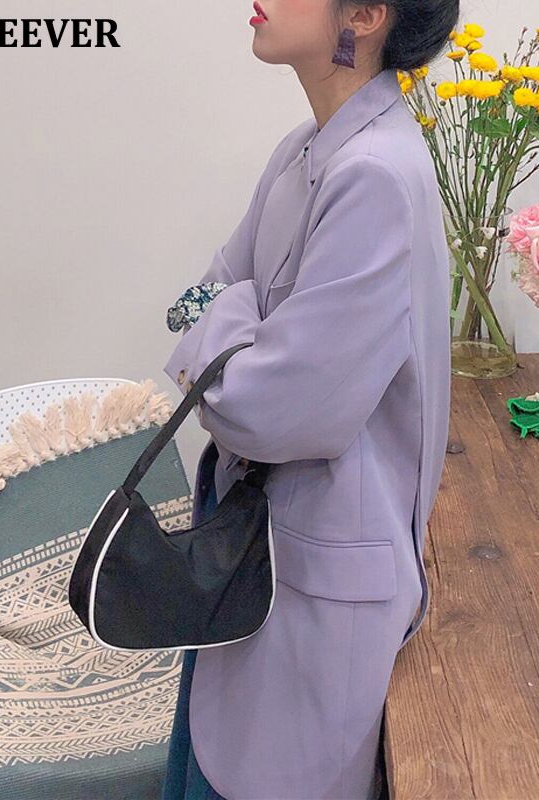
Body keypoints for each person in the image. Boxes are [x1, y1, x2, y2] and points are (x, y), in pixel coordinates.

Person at [162, 0, 457, 797]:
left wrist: (235, 328)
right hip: (253, 556)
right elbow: (197, 301)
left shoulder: (374, 175)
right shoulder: (305, 150)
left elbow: (272, 411)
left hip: (311, 581)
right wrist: (239, 325)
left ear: (365, 14)